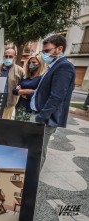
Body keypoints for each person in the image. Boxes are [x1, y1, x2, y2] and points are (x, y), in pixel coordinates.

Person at [30, 35, 75, 168]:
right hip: (39, 115)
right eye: (43, 51)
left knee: (37, 153)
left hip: (44, 119)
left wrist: (40, 117)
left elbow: (57, 97)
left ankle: (31, 184)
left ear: (59, 49)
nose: (44, 54)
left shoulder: (63, 67)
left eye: (47, 51)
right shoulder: (54, 65)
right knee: (32, 149)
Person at [0, 48, 24, 119]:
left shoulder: (20, 71)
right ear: (3, 57)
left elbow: (23, 86)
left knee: (4, 124)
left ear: (14, 57)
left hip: (9, 103)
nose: (8, 58)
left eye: (10, 56)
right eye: (6, 56)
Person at [12, 54, 46, 121]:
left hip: (30, 110)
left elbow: (38, 95)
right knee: (16, 128)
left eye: (34, 62)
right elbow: (14, 91)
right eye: (29, 63)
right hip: (20, 107)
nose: (31, 64)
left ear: (40, 64)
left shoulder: (42, 78)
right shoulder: (25, 77)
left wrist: (21, 92)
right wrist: (26, 91)